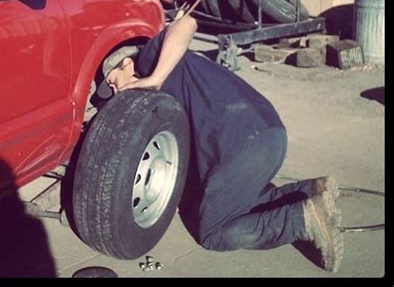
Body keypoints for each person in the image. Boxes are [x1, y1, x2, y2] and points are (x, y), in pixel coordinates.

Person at [97, 15, 344, 273]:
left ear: (127, 64)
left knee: (213, 233)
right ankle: (311, 191)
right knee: (243, 202)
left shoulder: (149, 60)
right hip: (271, 135)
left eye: (114, 82)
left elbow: (187, 23)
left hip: (242, 145)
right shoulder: (176, 80)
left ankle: (301, 221)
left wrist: (154, 77)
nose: (116, 92)